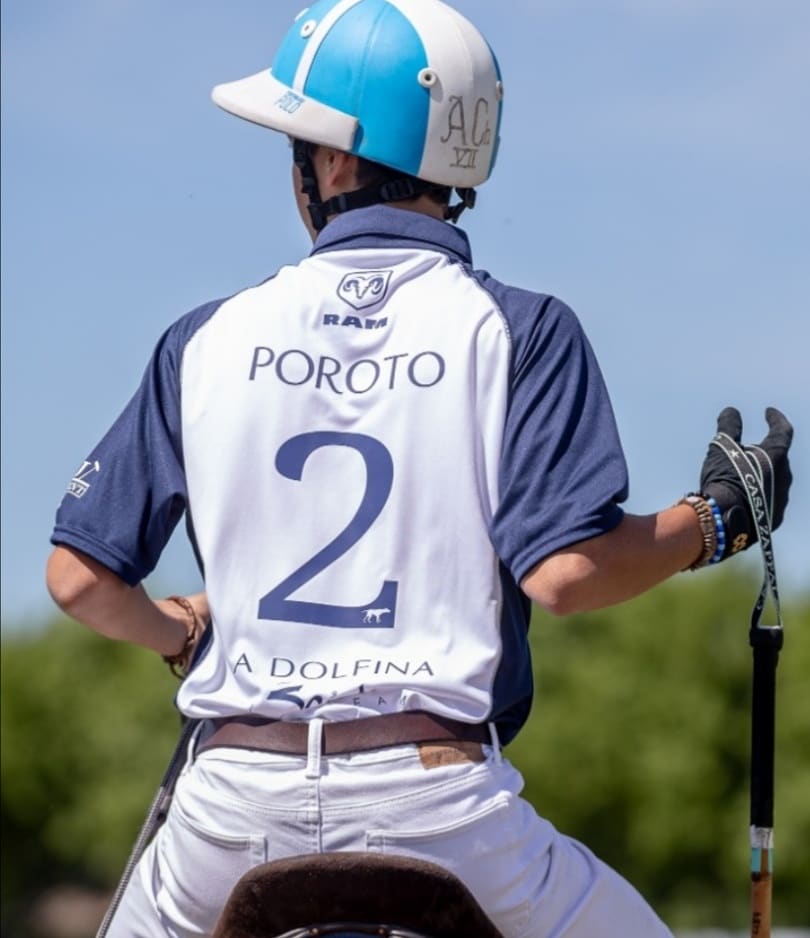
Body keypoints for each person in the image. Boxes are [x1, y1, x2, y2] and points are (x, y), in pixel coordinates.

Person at [45, 2, 793, 936]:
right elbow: (567, 575)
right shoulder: (523, 329)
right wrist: (716, 520)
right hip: (439, 808)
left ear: (337, 163)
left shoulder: (205, 337)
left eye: (296, 144)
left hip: (231, 808)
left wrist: (175, 630)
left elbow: (77, 579)